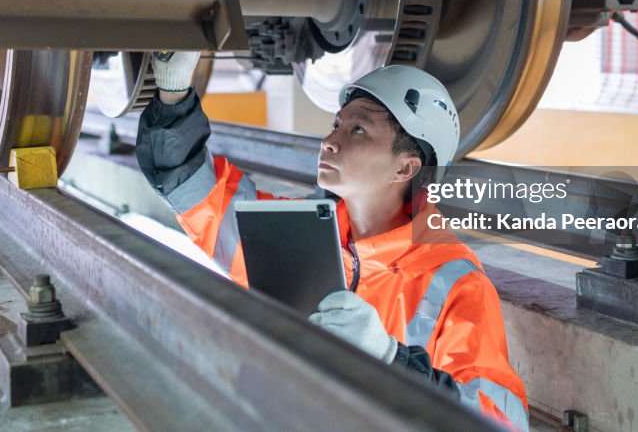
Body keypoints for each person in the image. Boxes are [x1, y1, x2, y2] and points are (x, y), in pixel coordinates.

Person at [135, 53, 528, 431]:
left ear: (406, 167)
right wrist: (173, 92)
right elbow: (195, 191)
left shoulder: (456, 283)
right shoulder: (298, 235)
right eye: (336, 125)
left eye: (357, 130)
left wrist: (391, 361)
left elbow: (498, 422)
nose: (329, 141)